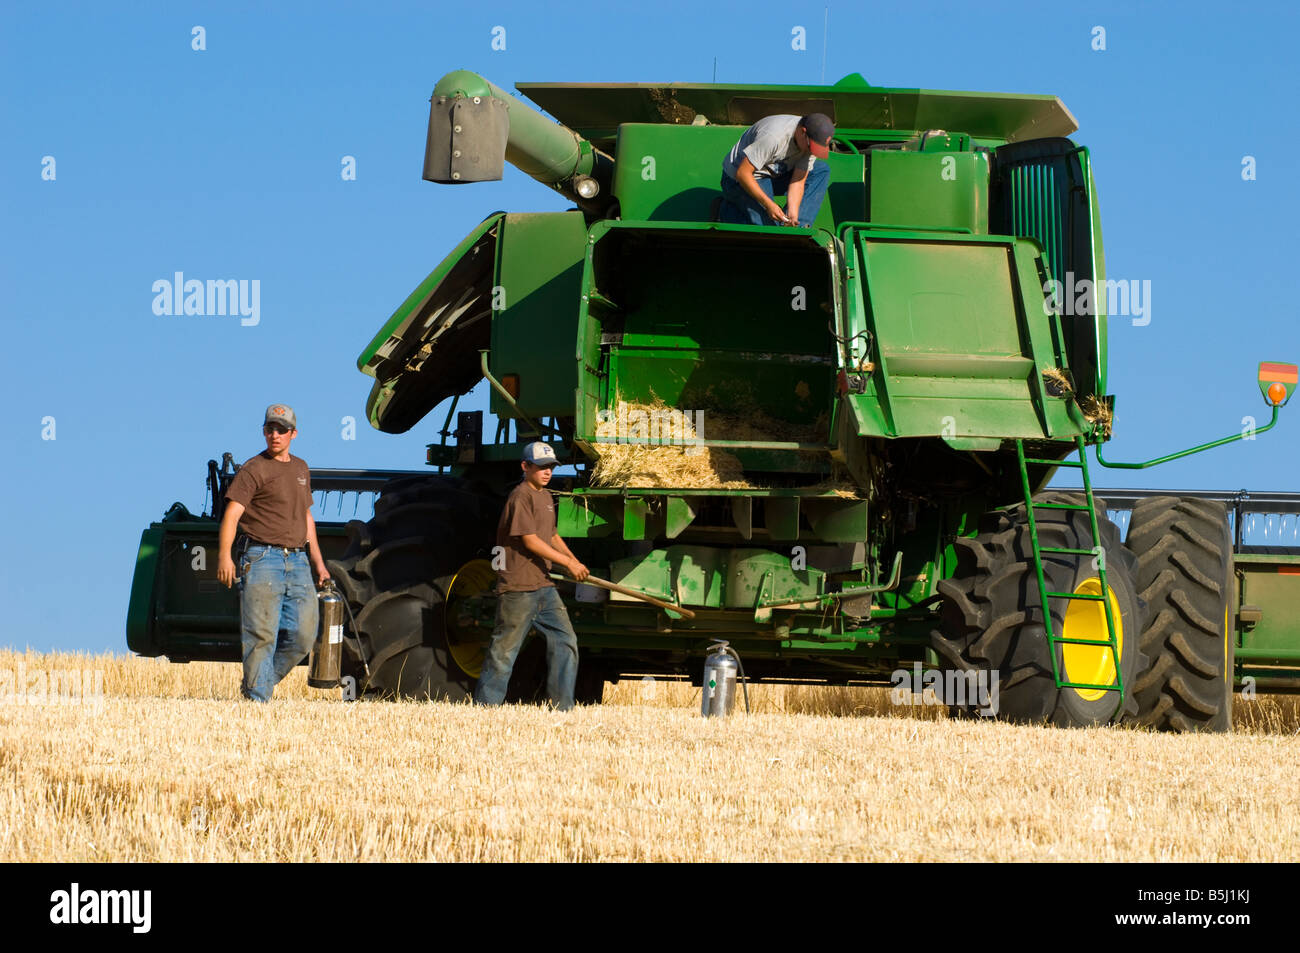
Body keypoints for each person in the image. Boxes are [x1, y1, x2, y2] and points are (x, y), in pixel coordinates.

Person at [216, 404, 330, 702]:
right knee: (261, 636)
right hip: (261, 559)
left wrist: (319, 564)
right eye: (270, 429)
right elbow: (232, 514)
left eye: (281, 430)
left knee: (304, 636)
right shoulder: (254, 468)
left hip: (298, 560)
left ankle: (258, 686)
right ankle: (257, 701)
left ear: (294, 433)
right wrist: (224, 556)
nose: (275, 435)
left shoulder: (301, 468)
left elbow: (306, 519)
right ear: (264, 432)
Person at [474, 442, 589, 711]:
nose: (547, 472)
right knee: (504, 651)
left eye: (550, 467)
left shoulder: (546, 497)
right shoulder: (520, 496)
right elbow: (531, 542)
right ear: (525, 467)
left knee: (565, 640)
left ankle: (562, 708)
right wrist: (567, 565)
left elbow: (551, 535)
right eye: (541, 467)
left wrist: (574, 560)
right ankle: (485, 708)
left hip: (543, 585)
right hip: (518, 586)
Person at [719, 113, 835, 228]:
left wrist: (792, 213)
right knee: (770, 229)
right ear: (802, 132)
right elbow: (742, 173)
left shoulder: (811, 141)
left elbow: (798, 181)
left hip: (774, 172)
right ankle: (726, 212)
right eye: (811, 147)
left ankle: (796, 227)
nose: (812, 151)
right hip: (741, 178)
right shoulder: (773, 137)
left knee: (820, 170)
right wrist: (768, 204)